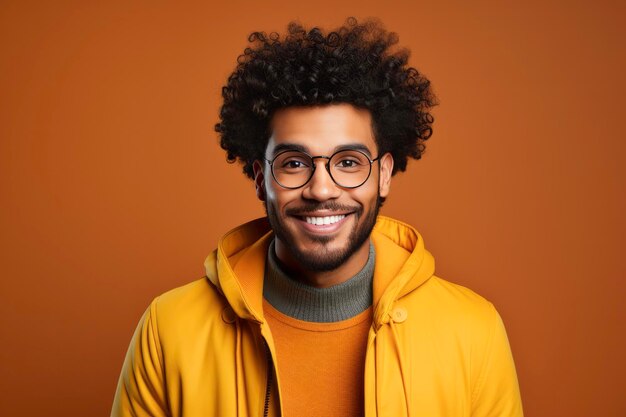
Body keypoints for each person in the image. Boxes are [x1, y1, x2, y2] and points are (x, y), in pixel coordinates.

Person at [111, 18, 523, 417]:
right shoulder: (168, 330)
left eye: (348, 162)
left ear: (382, 175)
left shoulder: (473, 331)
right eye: (293, 163)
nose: (321, 190)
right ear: (260, 178)